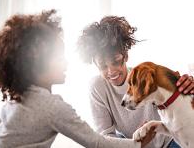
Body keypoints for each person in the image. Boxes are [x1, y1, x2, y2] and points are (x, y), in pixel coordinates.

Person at [0, 10, 156, 148]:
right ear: (38, 65)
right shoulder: (50, 106)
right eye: (58, 57)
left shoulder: (16, 98)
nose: (65, 62)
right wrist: (137, 144)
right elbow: (96, 142)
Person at [77, 16, 194, 148]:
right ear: (95, 64)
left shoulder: (143, 77)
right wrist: (137, 144)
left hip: (169, 141)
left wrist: (188, 85)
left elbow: (179, 106)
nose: (111, 71)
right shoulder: (97, 87)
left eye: (116, 61)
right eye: (103, 66)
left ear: (125, 56)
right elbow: (105, 138)